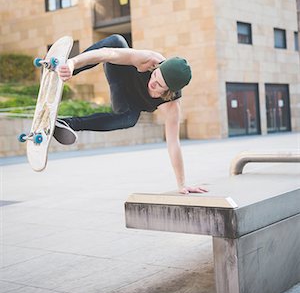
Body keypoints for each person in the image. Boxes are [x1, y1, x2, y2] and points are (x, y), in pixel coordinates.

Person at [54, 34, 208, 195]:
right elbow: (107, 53)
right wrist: (72, 63)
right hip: (119, 75)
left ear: (168, 91)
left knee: (129, 119)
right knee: (117, 42)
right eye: (155, 74)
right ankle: (63, 69)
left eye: (159, 85)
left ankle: (68, 124)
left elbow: (173, 144)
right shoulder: (149, 60)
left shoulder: (171, 107)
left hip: (126, 102)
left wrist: (182, 184)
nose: (152, 82)